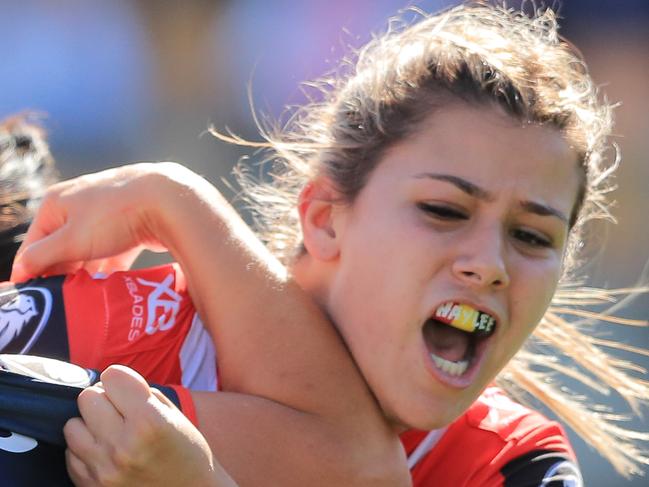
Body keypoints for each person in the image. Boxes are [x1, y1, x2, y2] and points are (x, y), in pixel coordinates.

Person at [8, 2, 649, 486]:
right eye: (444, 210)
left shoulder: (507, 462)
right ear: (323, 217)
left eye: (533, 236)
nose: (489, 264)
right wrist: (176, 200)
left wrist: (176, 202)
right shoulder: (104, 331)